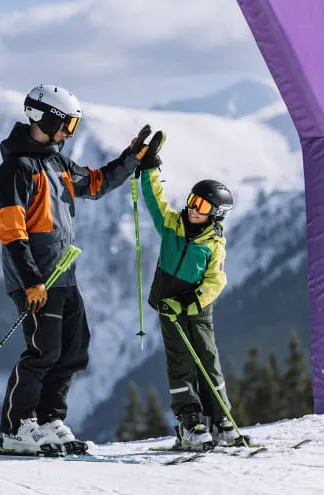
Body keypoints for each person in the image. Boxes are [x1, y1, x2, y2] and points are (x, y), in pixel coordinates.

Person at [0, 83, 160, 454]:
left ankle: (49, 419)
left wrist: (132, 158)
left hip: (64, 275)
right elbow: (12, 230)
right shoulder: (16, 170)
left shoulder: (58, 164)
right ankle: (16, 427)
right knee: (42, 353)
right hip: (36, 279)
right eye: (67, 124)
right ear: (47, 119)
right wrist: (32, 280)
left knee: (73, 351)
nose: (70, 133)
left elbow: (96, 184)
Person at [136, 139, 240, 450]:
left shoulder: (213, 244)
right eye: (194, 200)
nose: (194, 208)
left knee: (208, 360)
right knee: (181, 363)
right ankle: (190, 420)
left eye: (203, 206)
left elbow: (215, 280)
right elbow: (155, 201)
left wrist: (191, 303)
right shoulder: (172, 225)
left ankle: (221, 418)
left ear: (215, 214)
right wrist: (150, 168)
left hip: (197, 310)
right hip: (169, 310)